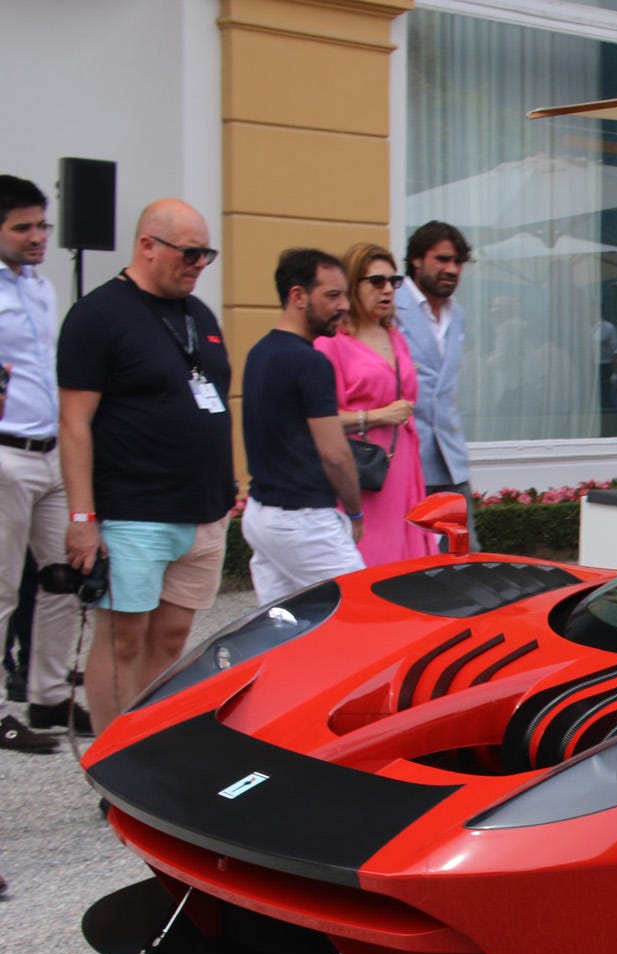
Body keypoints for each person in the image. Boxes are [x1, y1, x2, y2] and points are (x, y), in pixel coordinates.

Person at [58, 199, 234, 727]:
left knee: (173, 637)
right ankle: (115, 769)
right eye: (189, 253)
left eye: (207, 254)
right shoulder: (98, 315)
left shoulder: (198, 315)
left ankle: (150, 750)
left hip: (203, 510)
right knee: (123, 639)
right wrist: (82, 519)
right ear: (147, 245)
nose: (199, 264)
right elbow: (73, 423)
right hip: (133, 509)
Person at [0, 174, 83, 749]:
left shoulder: (42, 288)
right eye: (23, 227)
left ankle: (49, 696)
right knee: (2, 591)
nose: (37, 237)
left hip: (53, 451)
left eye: (42, 225)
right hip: (6, 453)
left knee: (62, 580)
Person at [240, 249, 365, 602]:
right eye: (332, 295)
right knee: (359, 612)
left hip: (262, 515)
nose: (343, 305)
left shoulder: (259, 352)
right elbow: (335, 454)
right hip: (304, 520)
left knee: (281, 630)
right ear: (298, 296)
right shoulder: (310, 362)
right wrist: (355, 512)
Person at [317, 242, 432, 566]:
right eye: (376, 282)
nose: (387, 290)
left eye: (393, 282)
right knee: (370, 556)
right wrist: (379, 416)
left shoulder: (395, 335)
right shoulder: (332, 343)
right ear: (353, 286)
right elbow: (322, 418)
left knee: (407, 559)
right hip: (362, 465)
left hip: (405, 459)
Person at [395, 220, 476, 549]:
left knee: (462, 553)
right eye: (441, 259)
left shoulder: (458, 315)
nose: (451, 269)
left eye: (457, 262)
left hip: (450, 455)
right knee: (413, 559)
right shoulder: (392, 305)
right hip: (405, 453)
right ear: (417, 259)